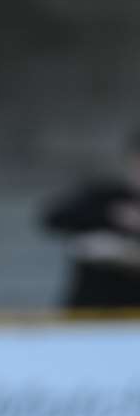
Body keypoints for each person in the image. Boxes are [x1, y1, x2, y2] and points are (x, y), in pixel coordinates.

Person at [41, 128, 140, 310]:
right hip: (92, 311)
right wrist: (109, 215)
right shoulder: (106, 197)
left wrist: (122, 253)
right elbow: (53, 218)